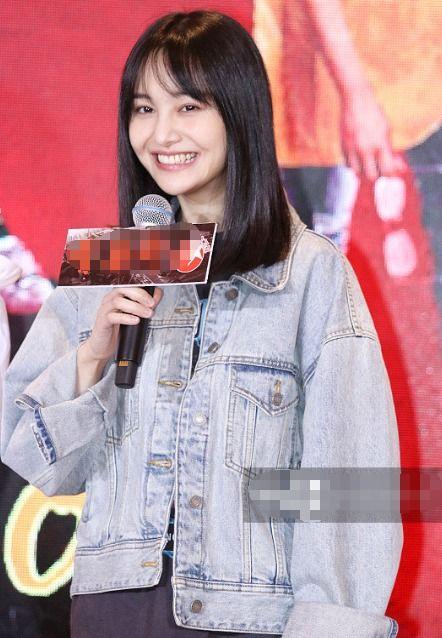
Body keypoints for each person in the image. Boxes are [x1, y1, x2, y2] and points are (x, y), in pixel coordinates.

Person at [0, 10, 403, 638]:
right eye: (143, 109)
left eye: (188, 107)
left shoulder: (311, 274)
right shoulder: (111, 261)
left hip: (249, 619)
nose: (161, 133)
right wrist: (91, 357)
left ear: (238, 112)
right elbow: (35, 457)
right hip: (111, 614)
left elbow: (349, 488)